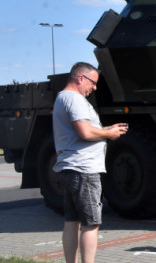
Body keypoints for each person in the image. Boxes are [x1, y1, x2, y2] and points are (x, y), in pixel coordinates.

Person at [52, 62, 128, 263]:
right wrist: (108, 133)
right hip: (84, 169)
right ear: (80, 78)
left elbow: (83, 130)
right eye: (93, 82)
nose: (94, 87)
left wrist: (105, 130)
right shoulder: (75, 99)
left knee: (72, 221)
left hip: (71, 167)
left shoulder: (62, 98)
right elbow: (84, 132)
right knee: (91, 224)